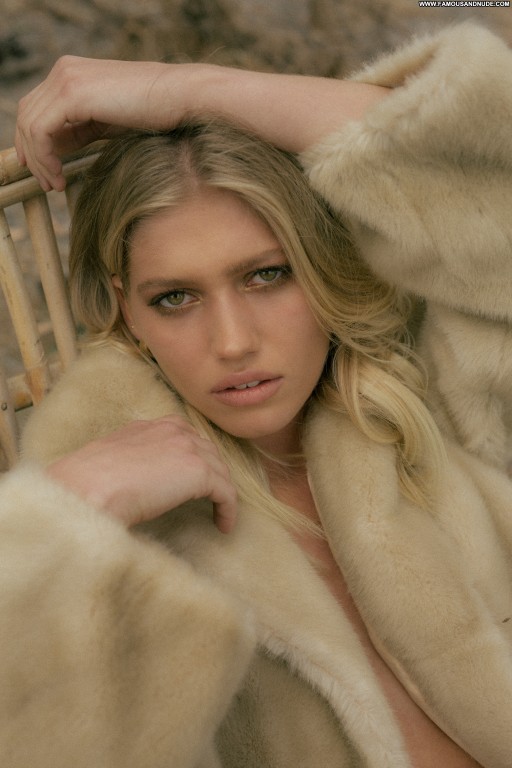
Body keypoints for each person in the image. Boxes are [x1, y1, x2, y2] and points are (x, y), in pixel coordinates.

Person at [2, 19, 512, 768]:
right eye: (175, 297)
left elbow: (487, 181)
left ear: (321, 265)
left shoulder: (437, 398)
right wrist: (70, 508)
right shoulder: (118, 527)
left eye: (267, 275)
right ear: (127, 310)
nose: (233, 341)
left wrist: (183, 89)